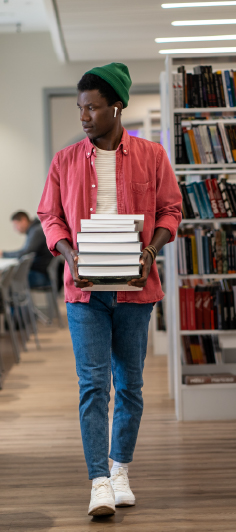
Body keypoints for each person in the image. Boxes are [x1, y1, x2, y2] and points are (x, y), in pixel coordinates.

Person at [37, 62, 182, 517]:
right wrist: (69, 253)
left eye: (92, 109)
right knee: (93, 387)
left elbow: (170, 210)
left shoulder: (152, 156)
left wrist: (150, 250)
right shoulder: (64, 161)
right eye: (80, 109)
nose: (83, 117)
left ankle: (120, 469)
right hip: (85, 294)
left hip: (136, 292)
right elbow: (50, 216)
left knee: (132, 386)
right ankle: (98, 480)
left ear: (116, 107)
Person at [0, 211, 52, 288]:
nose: (16, 229)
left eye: (16, 225)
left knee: (6, 282)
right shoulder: (34, 230)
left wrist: (3, 254)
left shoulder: (36, 231)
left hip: (40, 275)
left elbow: (25, 252)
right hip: (41, 273)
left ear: (24, 220)